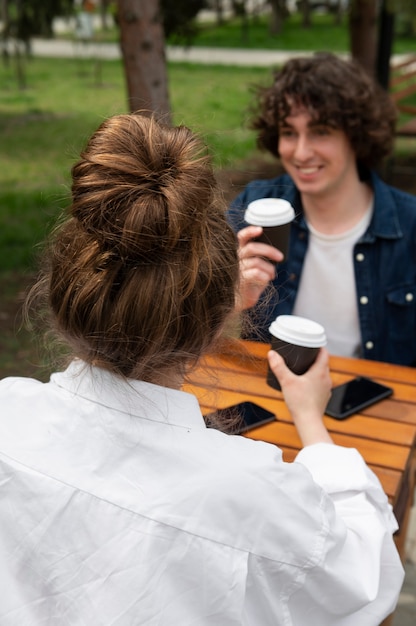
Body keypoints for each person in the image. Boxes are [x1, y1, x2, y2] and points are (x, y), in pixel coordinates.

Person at [0, 113, 403, 625]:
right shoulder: (245, 497)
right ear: (215, 314)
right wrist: (312, 425)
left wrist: (201, 308)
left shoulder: (7, 415)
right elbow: (364, 578)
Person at [228, 52, 416, 366]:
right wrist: (230, 298)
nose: (301, 152)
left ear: (356, 136)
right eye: (289, 133)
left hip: (377, 406)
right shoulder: (256, 207)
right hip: (270, 397)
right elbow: (185, 320)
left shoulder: (409, 225)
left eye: (321, 132)